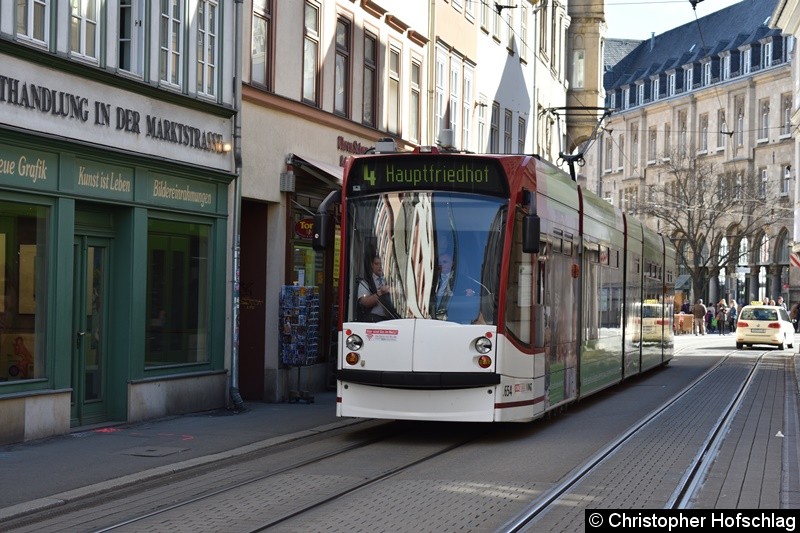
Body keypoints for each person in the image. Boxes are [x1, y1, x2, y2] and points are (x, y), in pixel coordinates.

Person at [432, 252, 475, 320]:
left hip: (454, 314)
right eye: (439, 262)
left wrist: (470, 293)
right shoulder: (432, 278)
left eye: (445, 262)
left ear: (452, 263)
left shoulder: (461, 279)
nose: (441, 265)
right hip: (433, 312)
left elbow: (469, 294)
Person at [357, 254, 396, 322]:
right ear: (372, 265)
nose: (380, 266)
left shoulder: (393, 281)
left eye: (382, 263)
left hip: (392, 320)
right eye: (377, 264)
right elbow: (365, 302)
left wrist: (394, 290)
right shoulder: (366, 282)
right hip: (373, 320)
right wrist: (380, 292)